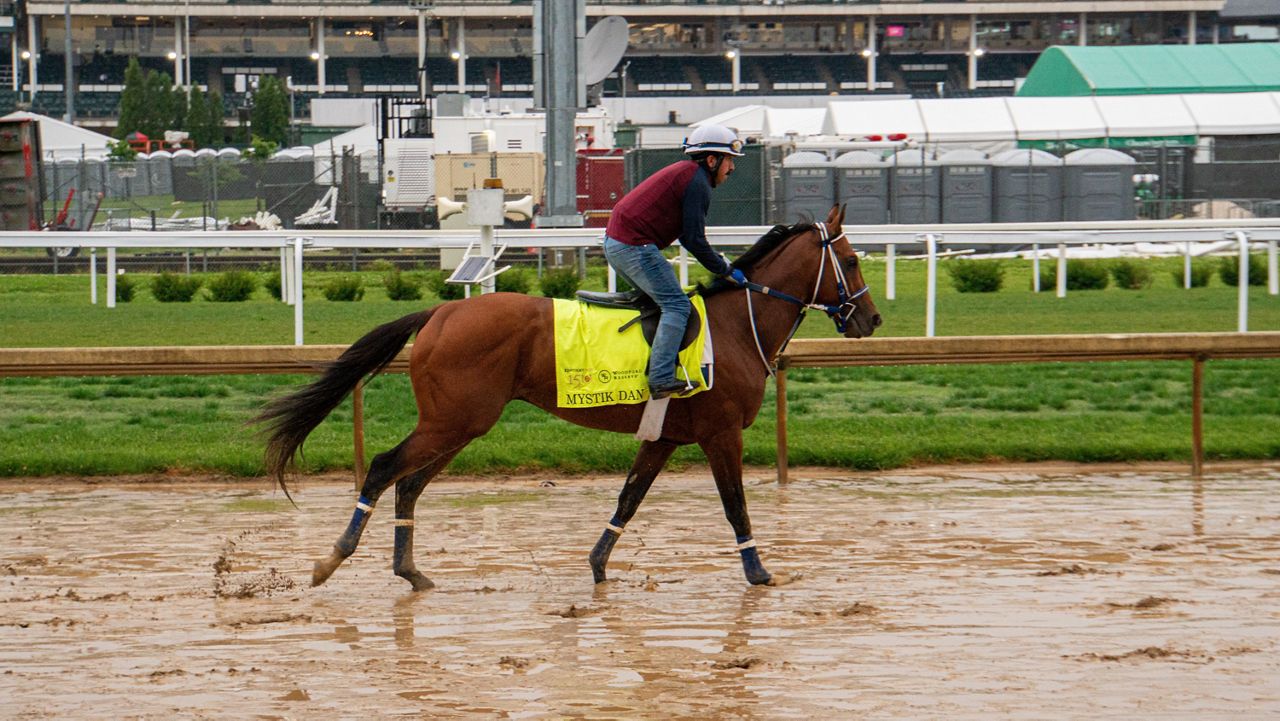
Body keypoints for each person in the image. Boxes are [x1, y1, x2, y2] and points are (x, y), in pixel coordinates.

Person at [603, 124, 749, 399]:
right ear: (711, 160)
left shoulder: (689, 176)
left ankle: (652, 360)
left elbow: (687, 237)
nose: (731, 168)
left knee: (665, 303)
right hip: (633, 246)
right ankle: (660, 378)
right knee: (677, 306)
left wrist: (719, 264)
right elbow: (693, 239)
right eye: (729, 160)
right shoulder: (697, 183)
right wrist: (725, 270)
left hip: (621, 243)